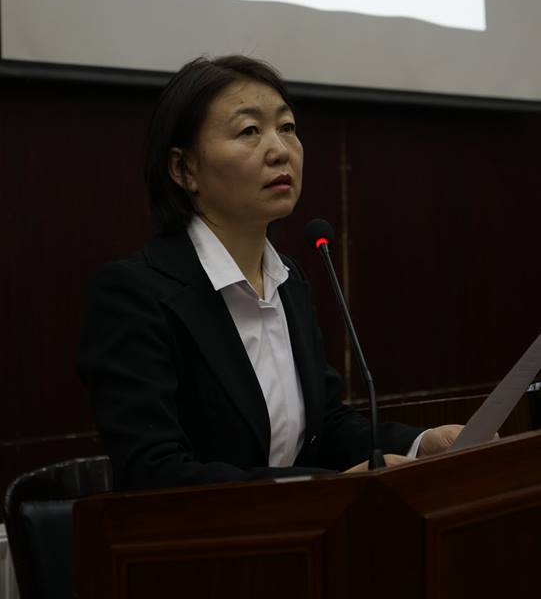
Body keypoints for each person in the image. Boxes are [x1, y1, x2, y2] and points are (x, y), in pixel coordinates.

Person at [78, 55, 460, 491]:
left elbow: (326, 426)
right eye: (249, 131)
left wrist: (420, 445)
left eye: (287, 127)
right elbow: (154, 472)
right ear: (183, 169)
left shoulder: (288, 279)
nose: (280, 150)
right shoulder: (134, 294)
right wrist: (317, 488)